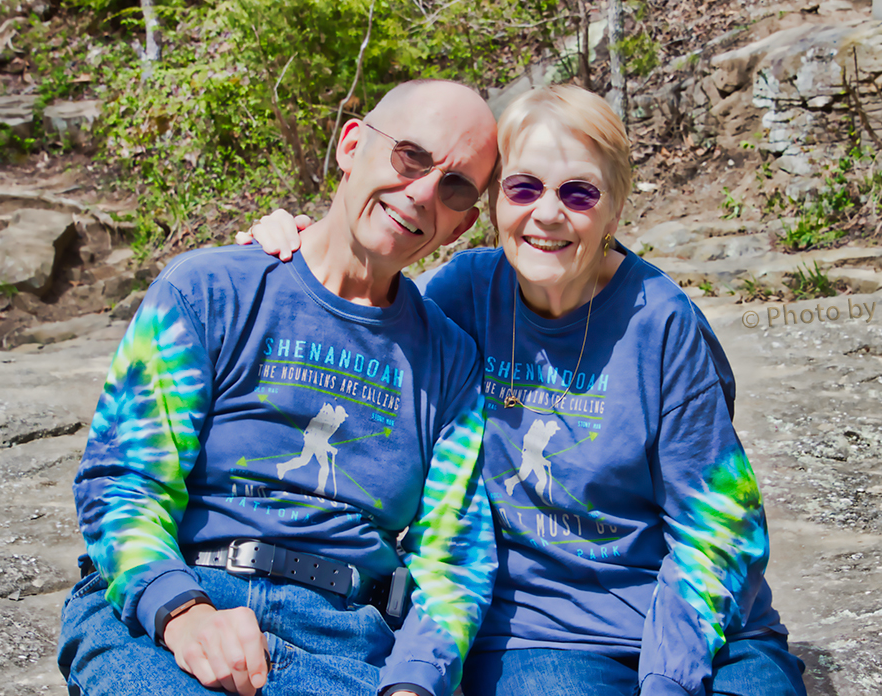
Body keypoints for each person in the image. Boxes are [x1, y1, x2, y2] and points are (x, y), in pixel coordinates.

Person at [244, 84, 808, 695]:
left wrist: (668, 679)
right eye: (523, 187)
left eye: (579, 193)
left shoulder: (660, 322)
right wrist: (297, 244)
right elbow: (361, 323)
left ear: (614, 210)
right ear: (493, 205)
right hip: (541, 638)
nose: (548, 213)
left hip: (702, 625)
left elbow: (719, 529)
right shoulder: (462, 297)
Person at [58, 79, 502, 696]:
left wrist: (414, 681)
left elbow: (454, 560)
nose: (423, 192)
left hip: (346, 641)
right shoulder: (209, 290)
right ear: (352, 145)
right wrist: (184, 615)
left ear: (461, 226)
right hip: (177, 603)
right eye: (410, 156)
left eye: (454, 187)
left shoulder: (450, 362)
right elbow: (123, 479)